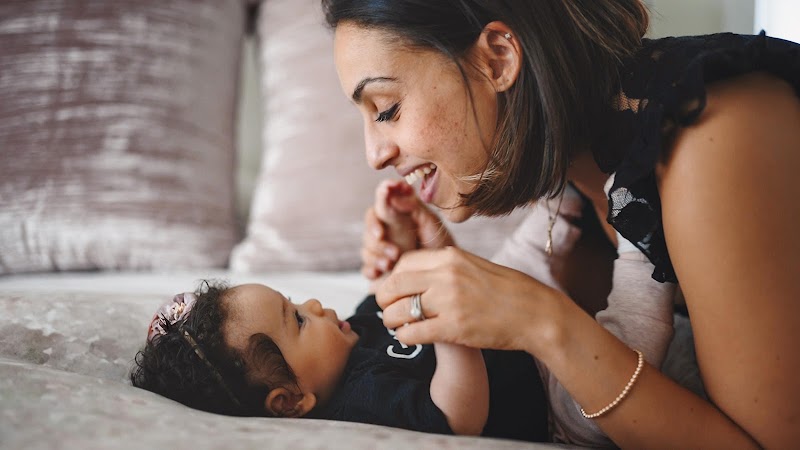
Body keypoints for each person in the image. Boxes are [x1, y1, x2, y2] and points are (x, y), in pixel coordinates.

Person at [323, 0, 800, 448]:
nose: (375, 154)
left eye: (387, 108)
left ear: (498, 59)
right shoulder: (579, 177)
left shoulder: (710, 134)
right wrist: (431, 261)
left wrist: (541, 320)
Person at [129, 180, 693, 446]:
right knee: (628, 335)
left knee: (512, 264)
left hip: (526, 341)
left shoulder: (352, 334)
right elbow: (456, 419)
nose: (315, 305)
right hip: (559, 407)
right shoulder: (360, 401)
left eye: (297, 299)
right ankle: (641, 239)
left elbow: (435, 290)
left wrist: (423, 250)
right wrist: (448, 332)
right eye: (297, 319)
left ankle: (565, 203)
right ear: (292, 401)